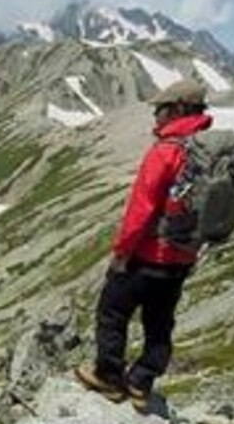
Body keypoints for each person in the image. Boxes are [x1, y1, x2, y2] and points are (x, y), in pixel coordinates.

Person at [75, 77, 212, 406]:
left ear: (178, 109)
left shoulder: (167, 151)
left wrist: (122, 253)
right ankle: (141, 381)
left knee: (112, 311)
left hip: (150, 254)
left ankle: (108, 377)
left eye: (161, 110)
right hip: (182, 257)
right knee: (160, 321)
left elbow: (141, 208)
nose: (156, 117)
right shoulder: (210, 149)